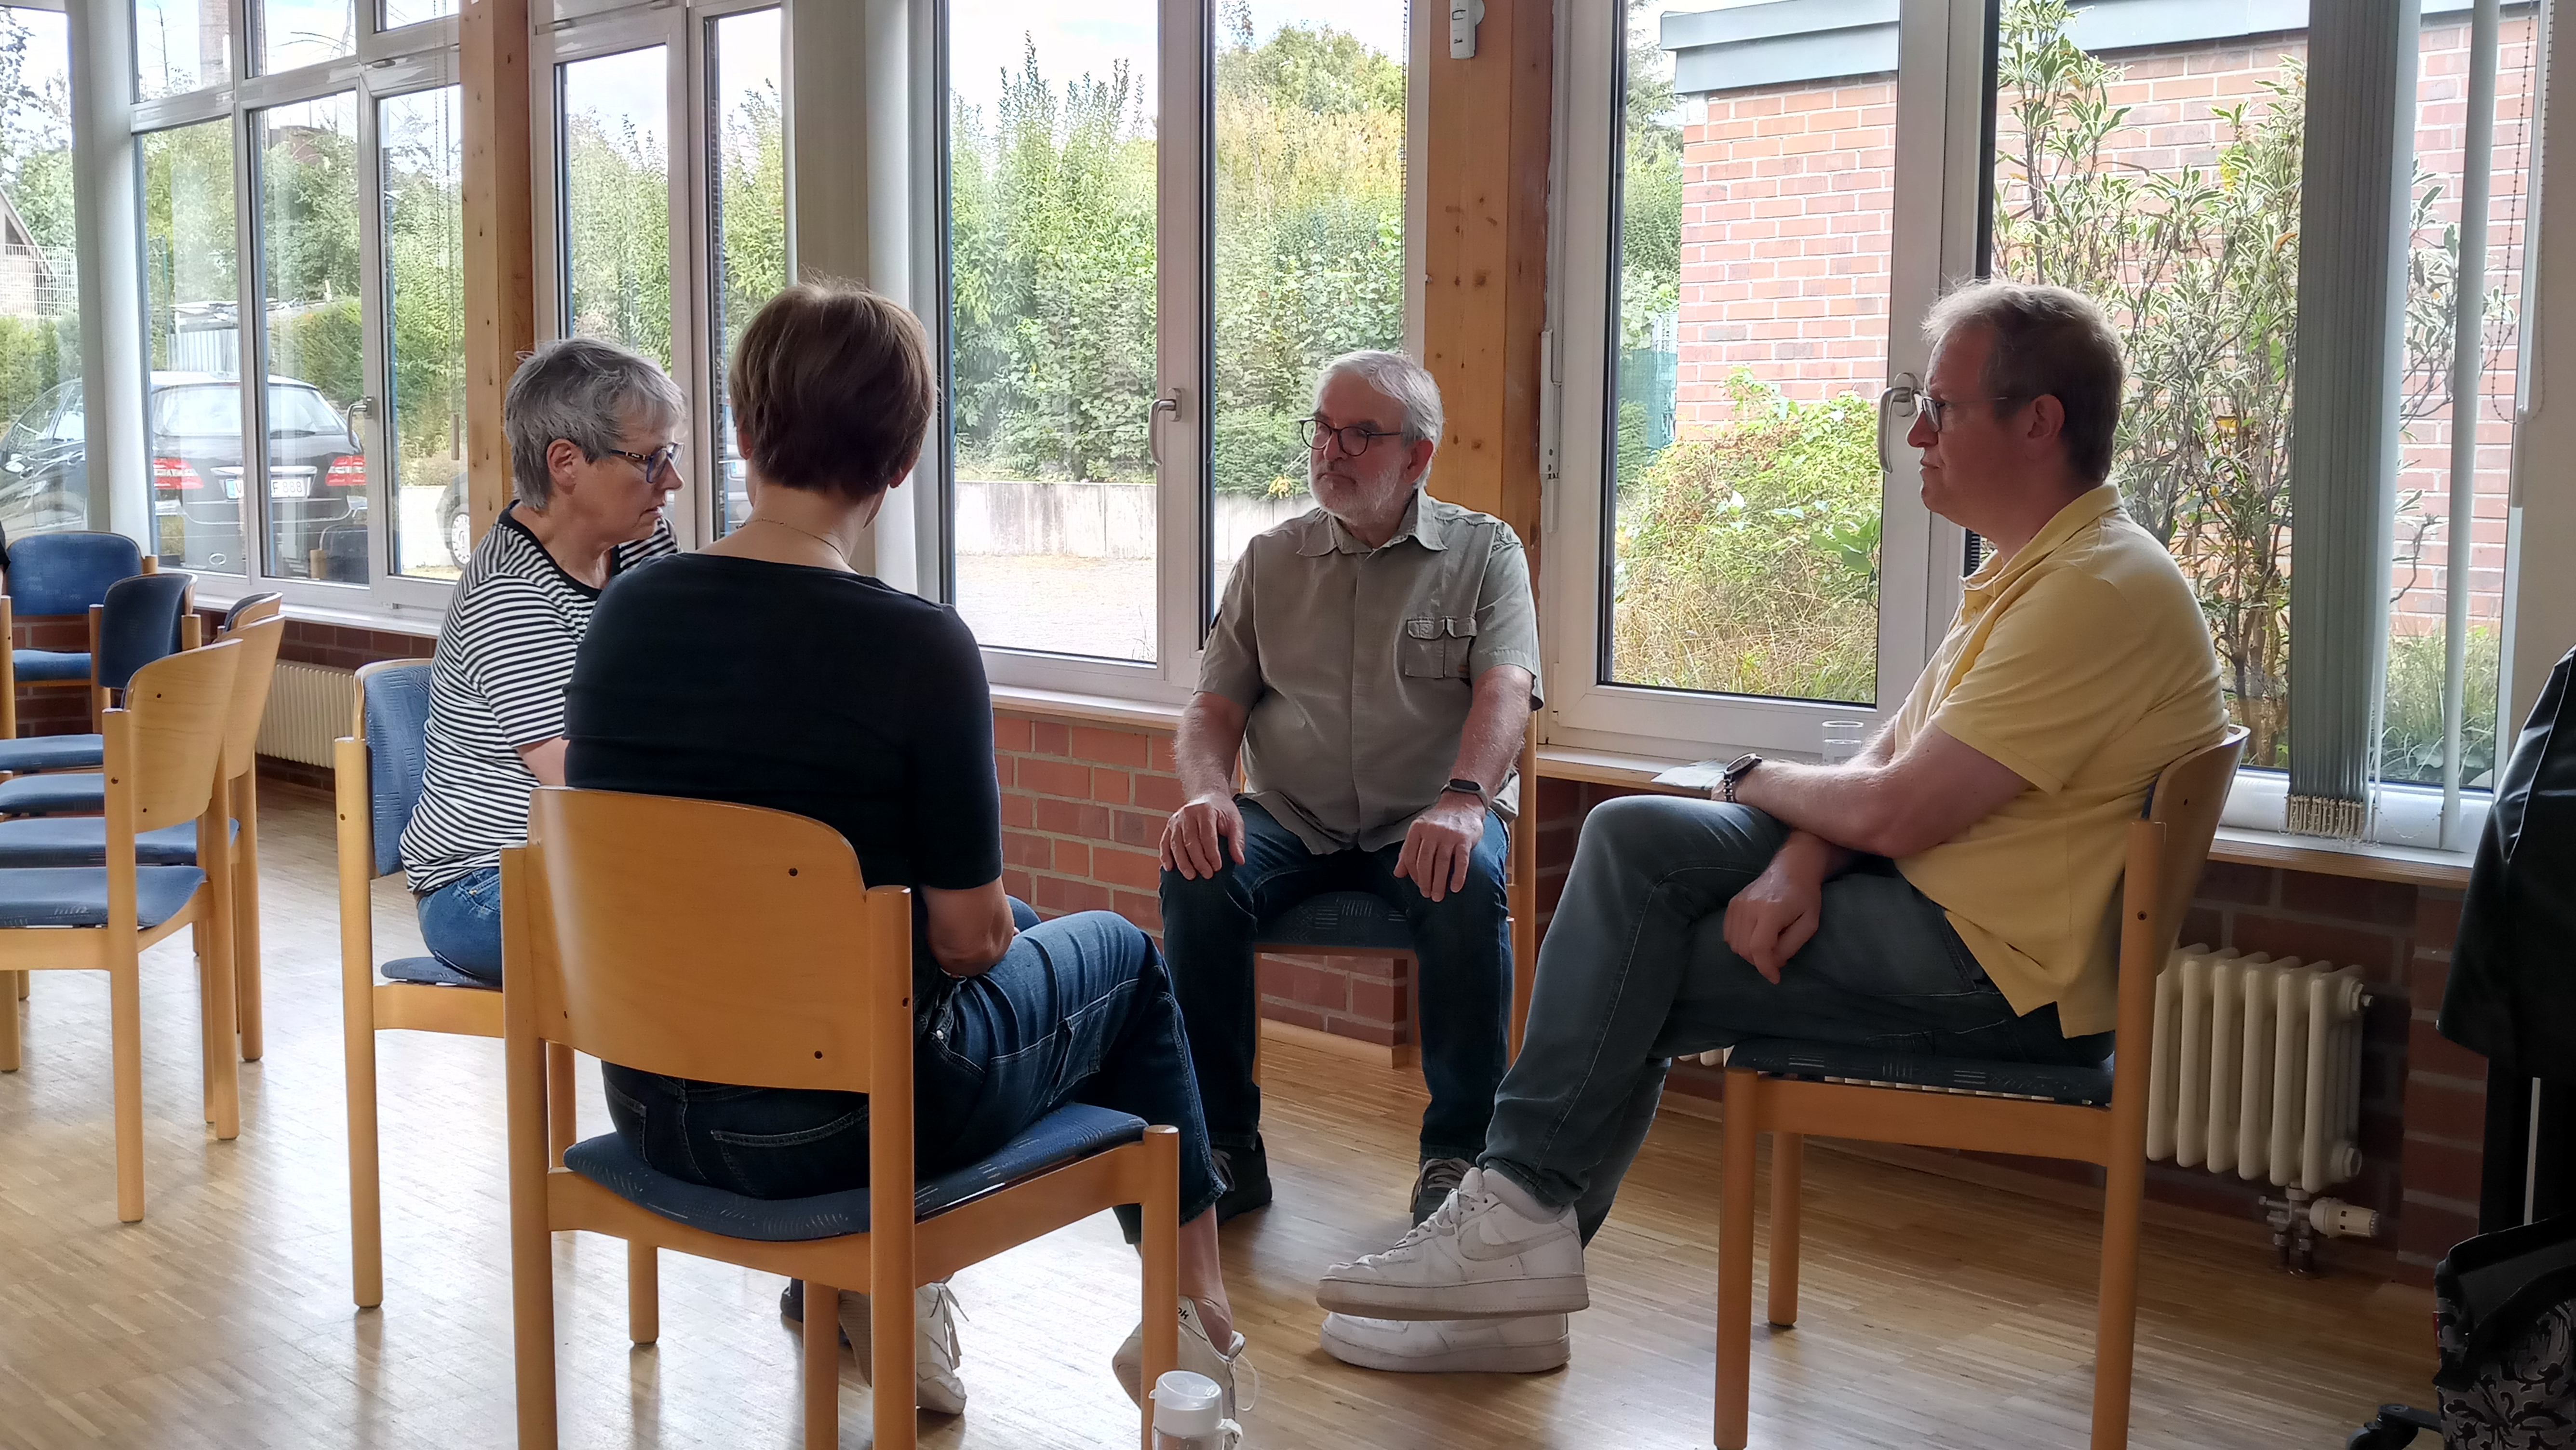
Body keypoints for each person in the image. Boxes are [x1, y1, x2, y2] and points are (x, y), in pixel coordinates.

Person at [1312, 280, 2229, 1368]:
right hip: (1948, 908)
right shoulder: (2042, 569)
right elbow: (1890, 760)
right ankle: (1514, 1244)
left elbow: (1893, 805)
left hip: (2000, 976)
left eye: (1940, 408)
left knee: (1632, 967)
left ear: (2037, 423)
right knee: (1630, 838)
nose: (1917, 435)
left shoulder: (2094, 589)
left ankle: (1510, 1249)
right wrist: (1798, 861)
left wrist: (1747, 778)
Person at [564, 281, 1252, 1420]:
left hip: (646, 1098)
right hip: (841, 1129)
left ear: (740, 433)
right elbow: (970, 942)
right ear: (902, 460)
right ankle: (1197, 1324)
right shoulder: (917, 646)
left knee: (996, 940)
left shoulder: (624, 617)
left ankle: (889, 1301)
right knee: (1126, 962)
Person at [1159, 349, 1540, 1251]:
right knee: (1197, 871)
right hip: (1294, 816)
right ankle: (1225, 1147)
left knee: (1465, 878)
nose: (1331, 450)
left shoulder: (1486, 552)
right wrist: (1208, 794)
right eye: (1324, 429)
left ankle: (1460, 1155)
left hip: (1429, 814)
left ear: (1418, 456)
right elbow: (1212, 710)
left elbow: (1506, 691)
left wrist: (1465, 800)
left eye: (1360, 434)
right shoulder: (1270, 560)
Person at [399, 338, 680, 980]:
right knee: (690, 933)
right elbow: (580, 774)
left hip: (594, 853)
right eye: (651, 459)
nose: (673, 481)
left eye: (672, 455)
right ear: (566, 463)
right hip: (482, 885)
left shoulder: (642, 541)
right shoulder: (509, 593)